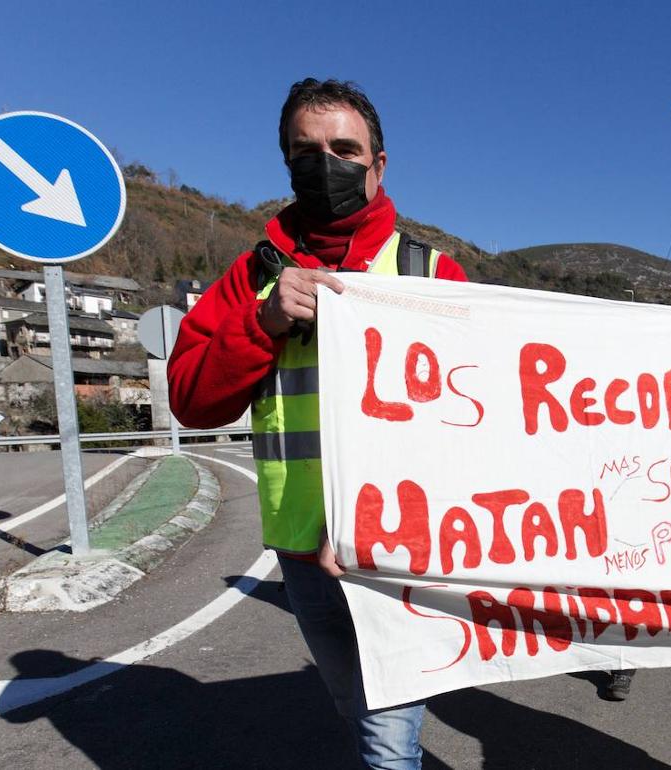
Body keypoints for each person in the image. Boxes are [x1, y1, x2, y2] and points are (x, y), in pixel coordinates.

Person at [168, 78, 467, 770]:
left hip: (401, 553)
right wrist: (262, 323)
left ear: (378, 164)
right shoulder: (252, 277)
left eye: (344, 149)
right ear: (286, 164)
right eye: (307, 151)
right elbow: (190, 398)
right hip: (303, 549)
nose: (326, 164)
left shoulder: (432, 274)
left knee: (388, 740)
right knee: (361, 709)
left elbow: (498, 410)